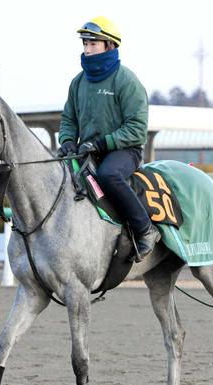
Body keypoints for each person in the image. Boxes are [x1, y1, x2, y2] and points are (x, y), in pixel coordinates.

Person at [58, 16, 160, 261]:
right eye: (85, 44)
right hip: (88, 151)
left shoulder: (127, 81)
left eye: (93, 44)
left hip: (125, 151)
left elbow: (137, 128)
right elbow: (68, 119)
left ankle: (145, 230)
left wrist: (104, 143)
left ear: (110, 46)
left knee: (108, 175)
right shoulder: (78, 82)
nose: (87, 49)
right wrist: (67, 140)